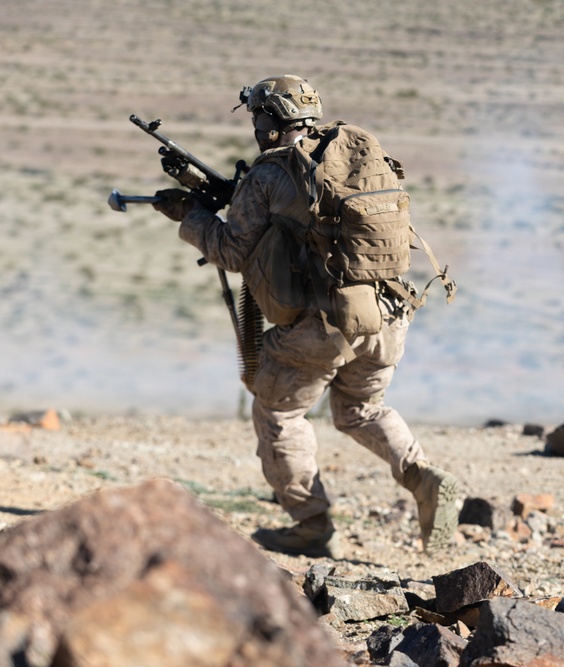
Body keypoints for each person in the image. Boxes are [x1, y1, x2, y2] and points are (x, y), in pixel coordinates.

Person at [152, 75, 461, 557]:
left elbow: (231, 251)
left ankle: (311, 525)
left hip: (324, 324)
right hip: (387, 312)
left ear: (272, 123)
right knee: (361, 410)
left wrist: (192, 218)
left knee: (278, 411)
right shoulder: (349, 155)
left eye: (259, 118)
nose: (257, 127)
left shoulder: (271, 173)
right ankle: (422, 475)